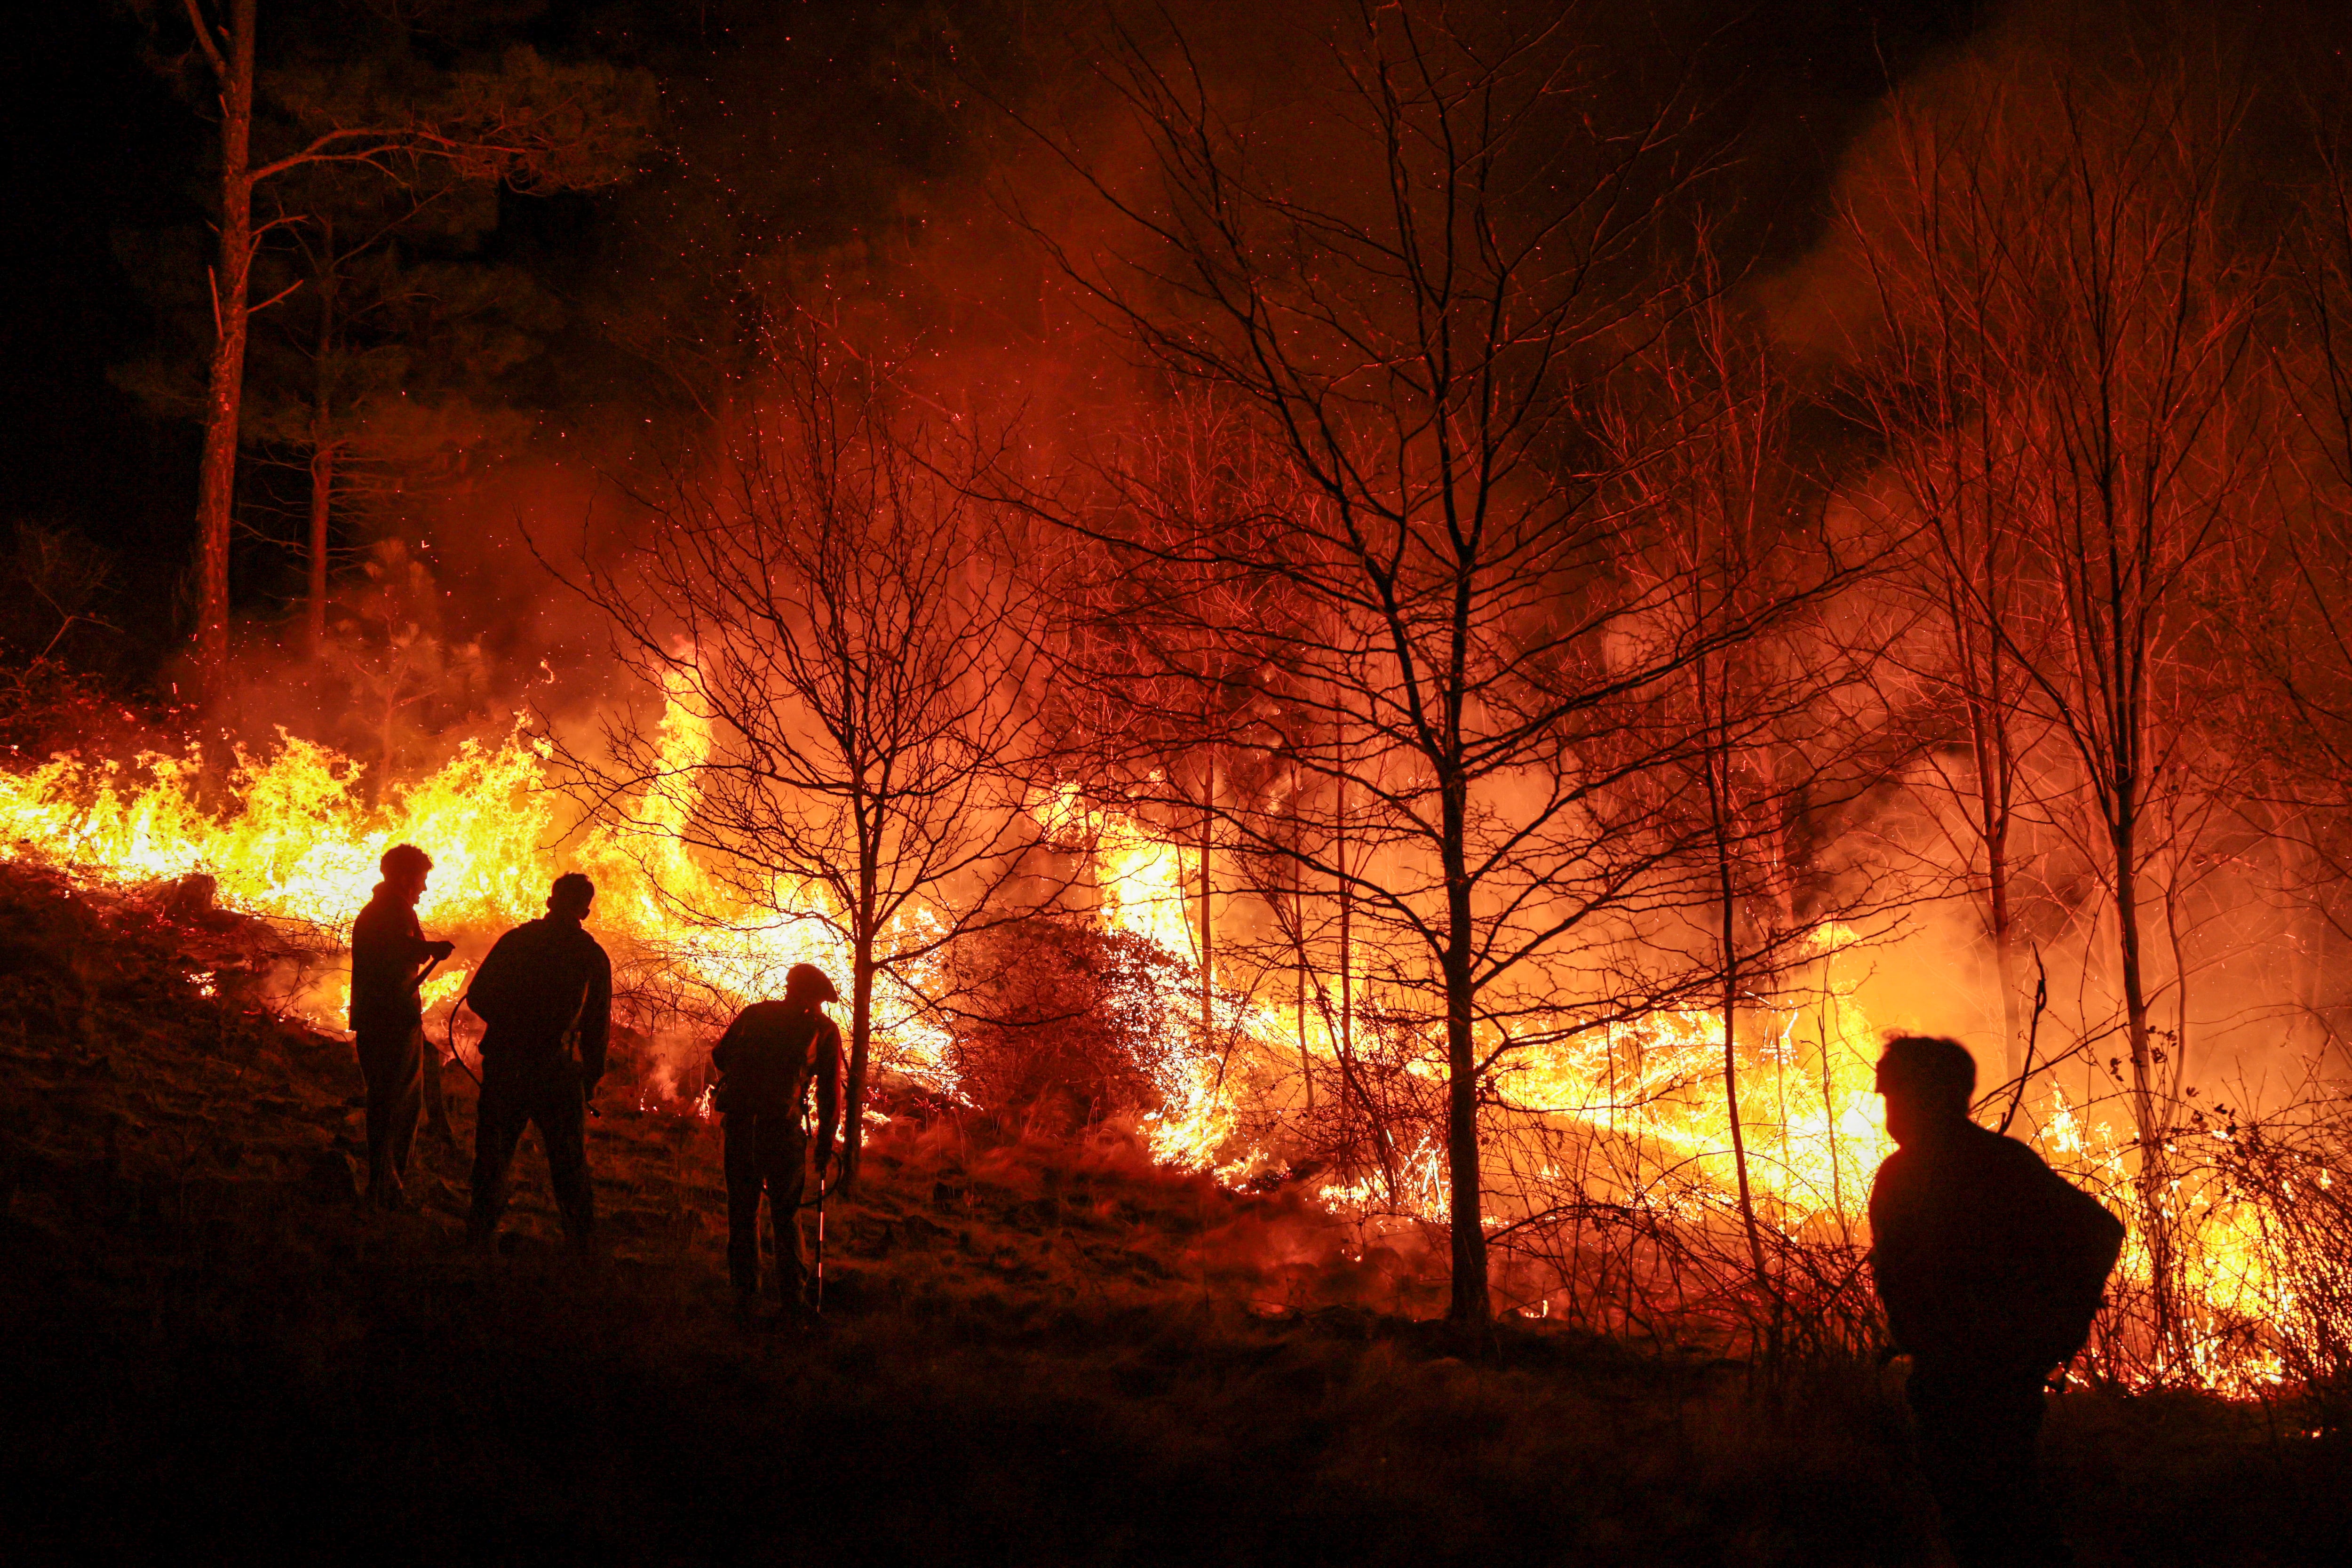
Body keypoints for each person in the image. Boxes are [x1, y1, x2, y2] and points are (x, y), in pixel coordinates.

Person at [1869, 1035, 2125, 1568]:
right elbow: (2096, 1231)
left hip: (1972, 1374)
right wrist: (2055, 1331)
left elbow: (2096, 1231)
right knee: (1997, 1508)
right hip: (1981, 1370)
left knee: (1985, 1514)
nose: (1888, 1111)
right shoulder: (2000, 1161)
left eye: (1892, 1095)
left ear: (1926, 1096)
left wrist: (2054, 1329)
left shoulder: (1912, 1174)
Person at [461, 873, 612, 1250]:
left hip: (508, 1063)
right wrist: (590, 1077)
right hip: (556, 1071)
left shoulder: (518, 941)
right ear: (586, 911)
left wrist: (511, 1024)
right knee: (569, 1165)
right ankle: (582, 1251)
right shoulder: (591, 955)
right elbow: (596, 1025)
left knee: (494, 1155)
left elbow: (478, 994)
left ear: (550, 901)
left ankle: (478, 1239)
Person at [710, 963, 845, 1311]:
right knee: (785, 1215)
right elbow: (830, 1093)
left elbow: (721, 1056)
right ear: (817, 999)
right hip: (781, 1131)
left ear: (788, 987)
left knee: (742, 1212)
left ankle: (745, 1297)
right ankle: (793, 1301)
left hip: (740, 1125)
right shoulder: (823, 1029)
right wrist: (826, 1140)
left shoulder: (756, 1013)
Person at [349, 844, 456, 1209]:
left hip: (382, 1016)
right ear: (404, 878)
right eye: (422, 880)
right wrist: (431, 948)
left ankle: (386, 1184)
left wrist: (426, 949)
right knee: (396, 1104)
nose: (424, 889)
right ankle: (386, 1188)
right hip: (391, 1018)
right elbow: (397, 948)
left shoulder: (383, 909)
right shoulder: (392, 909)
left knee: (388, 1101)